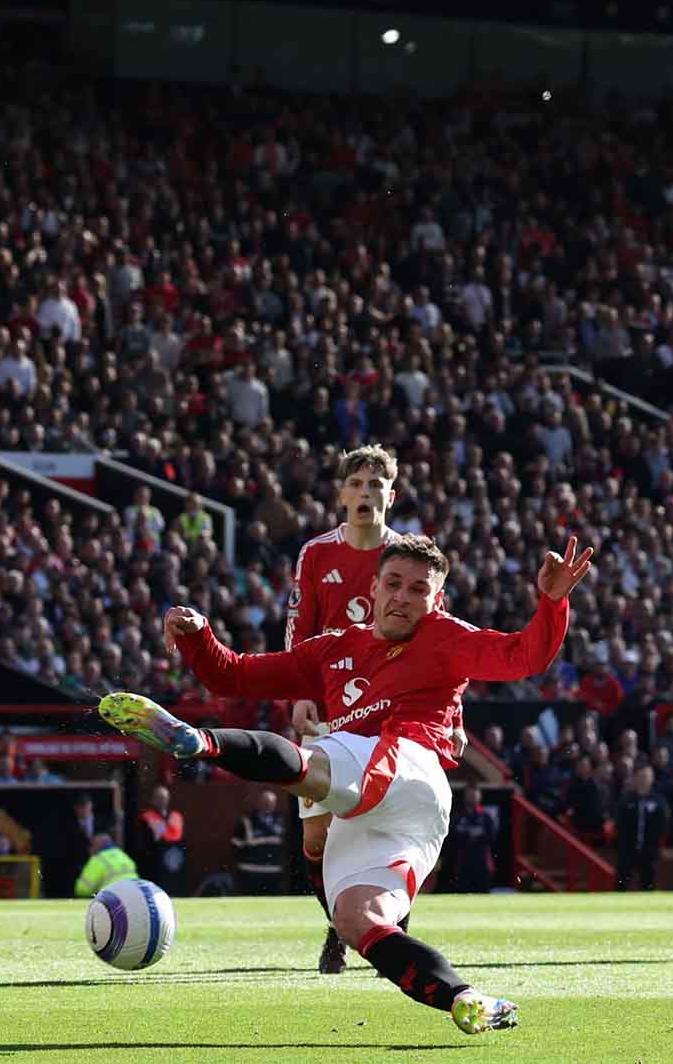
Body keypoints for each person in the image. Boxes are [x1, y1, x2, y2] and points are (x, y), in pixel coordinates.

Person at [100, 532, 592, 1036]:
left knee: (316, 761)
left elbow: (522, 658)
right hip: (388, 814)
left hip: (409, 764)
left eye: (419, 590)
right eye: (394, 584)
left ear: (436, 600)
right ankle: (467, 999)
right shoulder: (335, 648)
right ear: (373, 589)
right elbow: (236, 677)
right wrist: (198, 635)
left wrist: (552, 603)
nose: (403, 596)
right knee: (358, 920)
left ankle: (199, 743)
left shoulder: (446, 636)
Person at [284, 444, 453, 972]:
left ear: (391, 495)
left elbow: (442, 639)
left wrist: (455, 717)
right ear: (340, 495)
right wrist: (299, 688)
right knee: (315, 836)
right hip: (329, 704)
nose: (365, 493)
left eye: (375, 485)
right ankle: (338, 925)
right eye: (356, 484)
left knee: (397, 822)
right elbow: (300, 626)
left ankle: (387, 924)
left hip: (393, 706)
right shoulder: (316, 554)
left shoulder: (409, 557)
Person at [615, 765, 667, 892]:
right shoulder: (626, 799)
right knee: (622, 882)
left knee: (649, 884)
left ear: (652, 779)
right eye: (641, 776)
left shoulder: (658, 801)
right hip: (628, 850)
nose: (643, 779)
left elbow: (664, 823)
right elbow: (619, 823)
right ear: (635, 778)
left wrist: (656, 843)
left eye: (646, 777)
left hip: (649, 850)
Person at [231, 789, 287, 895]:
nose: (268, 805)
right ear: (260, 803)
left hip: (273, 872)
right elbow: (235, 846)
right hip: (250, 872)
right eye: (265, 802)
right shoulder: (247, 821)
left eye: (271, 803)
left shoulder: (281, 821)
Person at [136, 785, 186, 895]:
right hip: (154, 861)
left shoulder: (175, 816)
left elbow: (177, 836)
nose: (161, 801)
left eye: (163, 797)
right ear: (153, 799)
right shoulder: (146, 817)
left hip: (172, 858)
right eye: (158, 798)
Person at [447, 786, 497, 893]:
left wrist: (478, 835)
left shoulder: (485, 816)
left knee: (483, 892)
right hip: (463, 861)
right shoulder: (459, 816)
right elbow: (451, 836)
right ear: (465, 797)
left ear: (479, 797)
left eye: (475, 795)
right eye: (470, 795)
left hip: (482, 861)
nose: (472, 798)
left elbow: (492, 837)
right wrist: (468, 834)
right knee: (462, 892)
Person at [73, 832, 139, 896]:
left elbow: (83, 890)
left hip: (113, 898)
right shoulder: (124, 856)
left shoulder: (98, 860)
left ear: (95, 846)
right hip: (135, 894)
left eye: (91, 845)